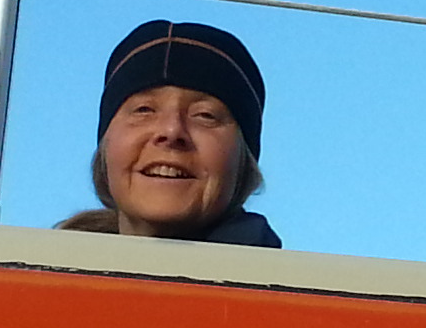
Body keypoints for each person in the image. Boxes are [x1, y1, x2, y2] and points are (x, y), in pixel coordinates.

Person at [58, 18, 282, 247]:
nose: (172, 130)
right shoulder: (46, 263)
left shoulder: (285, 270)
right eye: (144, 110)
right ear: (105, 146)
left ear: (245, 159)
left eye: (205, 115)